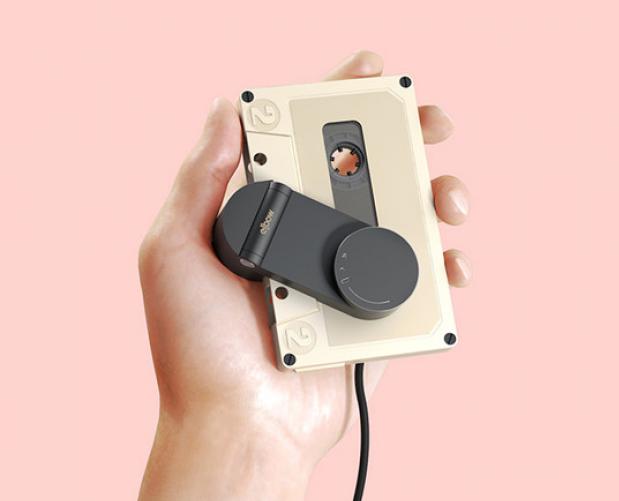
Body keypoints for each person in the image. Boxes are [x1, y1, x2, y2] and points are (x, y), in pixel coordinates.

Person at [137, 50, 472, 500]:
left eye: (347, 162)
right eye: (343, 161)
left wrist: (259, 437)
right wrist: (238, 419)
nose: (345, 163)